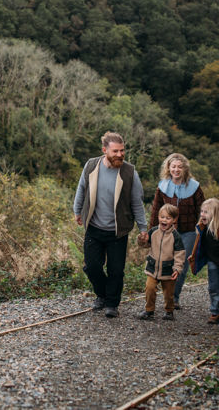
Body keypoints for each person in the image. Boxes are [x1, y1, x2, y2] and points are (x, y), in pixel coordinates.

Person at [73, 131, 148, 318]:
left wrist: (143, 228)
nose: (120, 155)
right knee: (92, 267)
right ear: (104, 150)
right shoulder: (91, 165)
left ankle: (111, 304)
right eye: (116, 151)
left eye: (122, 151)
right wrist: (77, 211)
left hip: (118, 231)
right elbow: (81, 188)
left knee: (116, 270)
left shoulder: (130, 172)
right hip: (94, 227)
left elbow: (137, 203)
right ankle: (102, 294)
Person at [149, 153, 204, 309]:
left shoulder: (195, 186)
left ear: (185, 168)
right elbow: (155, 210)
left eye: (180, 167)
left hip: (189, 231)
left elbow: (203, 209)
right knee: (167, 262)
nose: (176, 169)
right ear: (168, 168)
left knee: (181, 264)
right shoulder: (162, 186)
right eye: (173, 166)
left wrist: (204, 229)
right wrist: (150, 232)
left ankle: (174, 298)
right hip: (167, 232)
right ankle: (168, 294)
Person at [137, 204, 185, 321]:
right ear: (158, 217)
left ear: (174, 220)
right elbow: (145, 245)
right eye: (162, 217)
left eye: (168, 218)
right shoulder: (153, 231)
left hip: (168, 269)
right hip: (153, 267)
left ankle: (169, 311)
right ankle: (149, 310)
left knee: (169, 293)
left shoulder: (175, 236)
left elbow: (179, 253)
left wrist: (177, 268)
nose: (164, 220)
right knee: (149, 288)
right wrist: (141, 239)